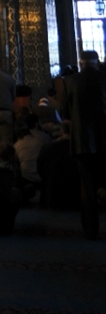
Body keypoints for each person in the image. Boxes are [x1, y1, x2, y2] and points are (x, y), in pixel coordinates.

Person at [62, 49, 106, 239]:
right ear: (97, 62)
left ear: (80, 63)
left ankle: (90, 229)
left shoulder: (69, 81)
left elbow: (65, 113)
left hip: (82, 142)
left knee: (87, 188)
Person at [36, 120, 81, 210]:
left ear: (61, 132)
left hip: (52, 197)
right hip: (75, 197)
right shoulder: (79, 149)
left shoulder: (48, 148)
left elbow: (40, 167)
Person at [14, 115, 51, 185]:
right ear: (36, 124)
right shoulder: (44, 137)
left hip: (26, 176)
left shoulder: (18, 144)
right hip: (43, 175)